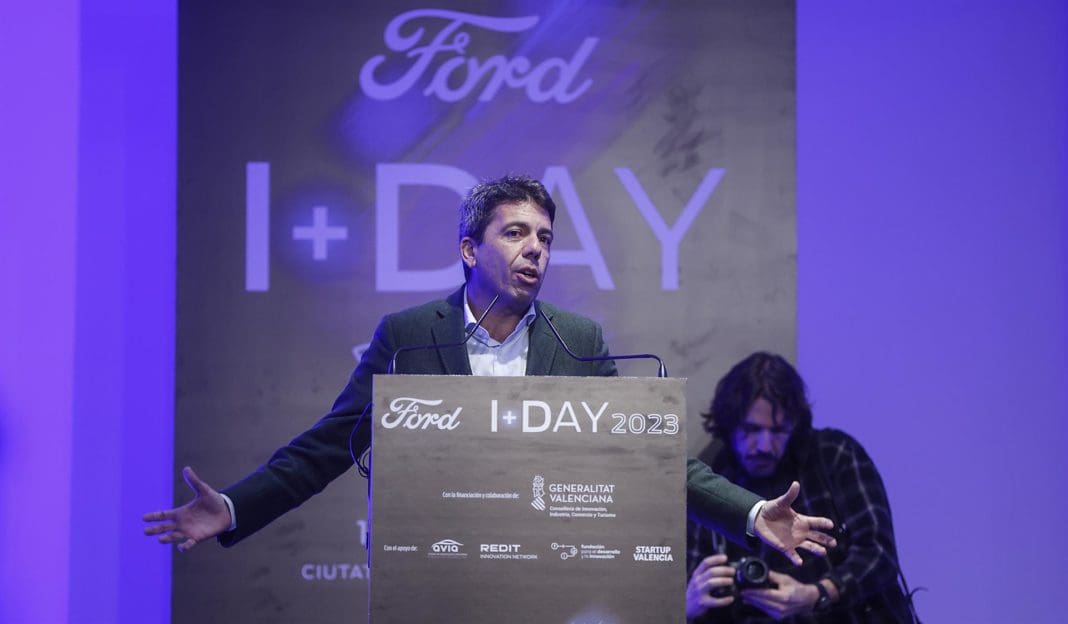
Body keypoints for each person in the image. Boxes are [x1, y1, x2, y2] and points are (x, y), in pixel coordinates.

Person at [144, 175, 834, 565]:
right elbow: (327, 448)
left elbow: (650, 459)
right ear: (470, 250)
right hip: (436, 574)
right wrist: (233, 506)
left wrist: (751, 513)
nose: (535, 250)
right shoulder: (410, 337)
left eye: (545, 238)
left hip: (546, 575)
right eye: (515, 233)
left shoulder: (578, 340)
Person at [685, 352, 915, 623]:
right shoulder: (710, 483)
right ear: (728, 423)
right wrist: (688, 604)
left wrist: (819, 594)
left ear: (795, 425)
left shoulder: (834, 455)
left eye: (778, 430)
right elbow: (694, 580)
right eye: (751, 429)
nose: (764, 446)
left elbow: (878, 553)